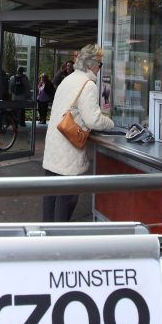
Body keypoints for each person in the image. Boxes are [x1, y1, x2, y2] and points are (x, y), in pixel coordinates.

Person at [43, 44, 114, 221]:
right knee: (66, 198)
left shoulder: (68, 79)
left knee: (50, 196)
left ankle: (45, 240)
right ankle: (60, 240)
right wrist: (111, 124)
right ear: (92, 65)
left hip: (54, 146)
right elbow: (93, 120)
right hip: (68, 150)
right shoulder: (87, 84)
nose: (99, 68)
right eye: (100, 64)